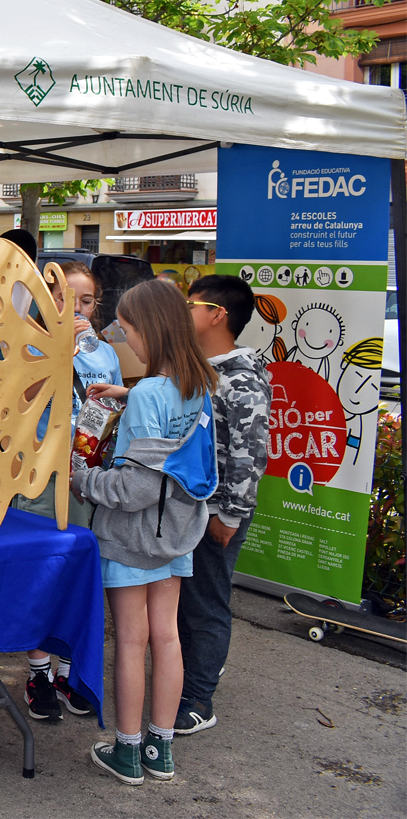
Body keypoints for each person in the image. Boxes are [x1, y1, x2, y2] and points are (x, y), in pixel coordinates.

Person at [72, 279, 218, 786]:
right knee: (168, 637)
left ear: (150, 331)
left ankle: (127, 751)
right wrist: (126, 390)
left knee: (131, 642)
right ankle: (162, 750)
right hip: (177, 530)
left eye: (128, 330)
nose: (125, 340)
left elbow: (132, 488)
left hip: (132, 536)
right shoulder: (200, 382)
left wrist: (82, 479)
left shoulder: (147, 396)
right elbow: (172, 434)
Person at [13, 261, 121, 721]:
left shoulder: (107, 354)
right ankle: (37, 670)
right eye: (63, 298)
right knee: (40, 572)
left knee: (81, 571)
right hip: (39, 475)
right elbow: (18, 401)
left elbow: (112, 413)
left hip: (86, 479)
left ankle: (68, 667)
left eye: (86, 301)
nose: (75, 309)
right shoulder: (27, 342)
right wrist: (59, 350)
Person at [176, 275, 270, 736]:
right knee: (187, 601)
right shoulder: (201, 367)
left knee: (206, 606)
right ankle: (194, 676)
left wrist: (230, 514)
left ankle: (198, 700)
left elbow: (251, 454)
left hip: (218, 513)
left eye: (191, 303)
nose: (184, 310)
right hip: (192, 506)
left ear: (218, 315)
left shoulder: (240, 377)